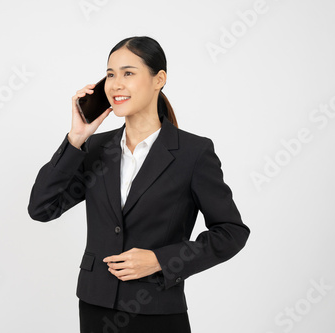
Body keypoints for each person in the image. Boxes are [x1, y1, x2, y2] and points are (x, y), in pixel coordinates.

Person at [28, 36, 250, 333]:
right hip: (96, 309)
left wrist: (161, 260)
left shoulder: (193, 153)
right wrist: (76, 137)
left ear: (159, 79)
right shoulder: (95, 148)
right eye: (110, 74)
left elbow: (231, 233)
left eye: (128, 73)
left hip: (157, 310)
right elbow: (42, 208)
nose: (116, 84)